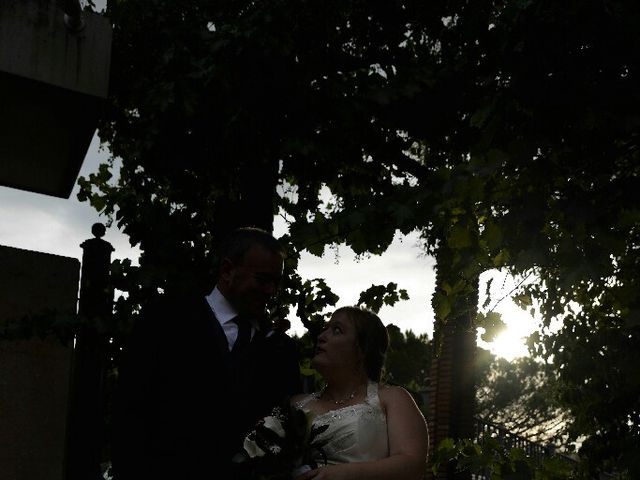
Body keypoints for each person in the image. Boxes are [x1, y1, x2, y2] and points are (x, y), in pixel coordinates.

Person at [111, 227, 301, 480]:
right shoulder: (165, 321)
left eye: (276, 282)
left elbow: (286, 427)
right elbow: (130, 410)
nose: (271, 291)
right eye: (262, 279)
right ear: (227, 271)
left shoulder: (281, 349)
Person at [291, 306, 428, 480]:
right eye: (325, 329)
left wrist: (344, 473)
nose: (321, 337)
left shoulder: (392, 398)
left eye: (337, 330)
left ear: (363, 349)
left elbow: (412, 463)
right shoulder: (296, 404)